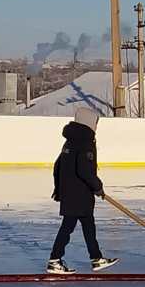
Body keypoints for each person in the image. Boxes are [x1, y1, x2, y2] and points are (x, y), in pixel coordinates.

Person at [47, 108, 118, 275]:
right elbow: (85, 171)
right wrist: (98, 187)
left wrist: (59, 189)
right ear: (89, 123)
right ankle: (54, 260)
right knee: (68, 226)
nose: (97, 127)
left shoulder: (71, 141)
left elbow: (58, 166)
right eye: (96, 123)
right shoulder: (85, 142)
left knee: (88, 225)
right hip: (78, 194)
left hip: (74, 192)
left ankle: (96, 258)